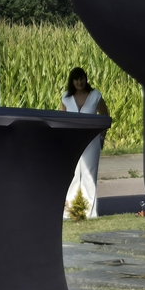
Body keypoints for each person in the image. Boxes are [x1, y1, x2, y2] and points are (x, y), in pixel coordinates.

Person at [58, 67, 109, 219]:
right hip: (71, 140)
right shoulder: (66, 97)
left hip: (91, 141)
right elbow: (61, 119)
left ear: (86, 79)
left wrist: (102, 137)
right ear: (72, 81)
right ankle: (70, 212)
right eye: (76, 79)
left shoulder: (95, 96)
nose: (79, 82)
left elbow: (105, 116)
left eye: (81, 79)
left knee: (88, 174)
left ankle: (89, 213)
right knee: (72, 174)